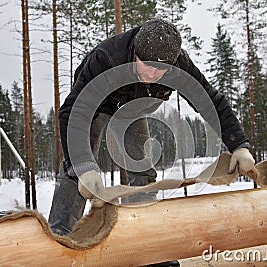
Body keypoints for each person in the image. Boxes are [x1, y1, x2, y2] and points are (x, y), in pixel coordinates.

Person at [48, 18, 255, 266]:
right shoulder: (107, 58)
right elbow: (74, 112)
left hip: (132, 110)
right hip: (96, 107)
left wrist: (239, 145)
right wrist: (82, 165)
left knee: (142, 169)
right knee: (77, 170)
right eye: (145, 65)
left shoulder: (180, 66)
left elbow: (212, 103)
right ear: (135, 50)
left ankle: (142, 239)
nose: (152, 74)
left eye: (160, 70)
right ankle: (59, 240)